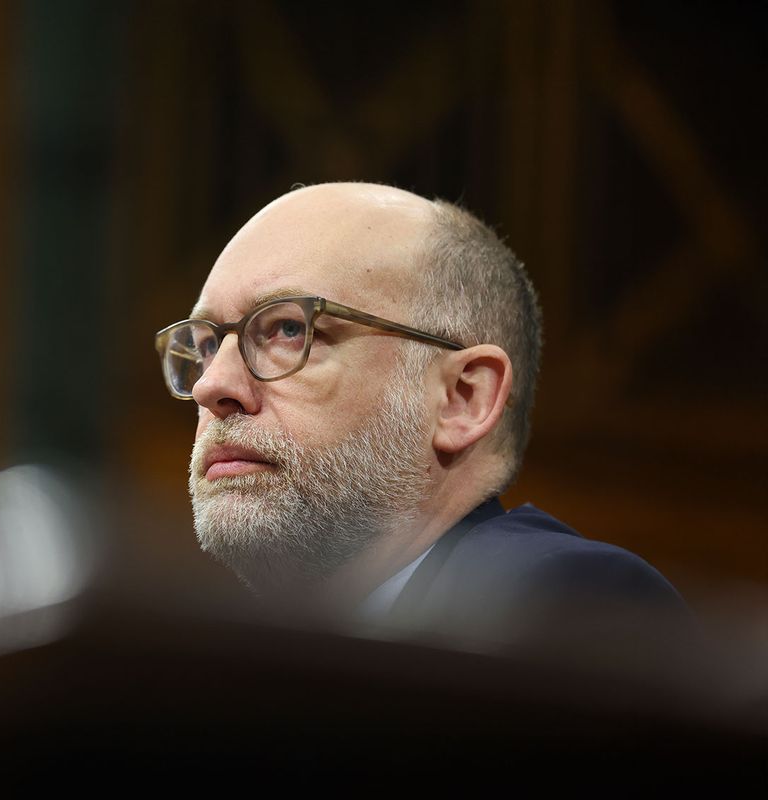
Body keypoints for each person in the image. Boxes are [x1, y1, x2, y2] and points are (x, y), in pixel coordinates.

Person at [154, 182, 690, 657]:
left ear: (462, 398)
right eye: (204, 346)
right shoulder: (223, 655)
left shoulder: (562, 603)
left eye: (289, 330)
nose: (210, 385)